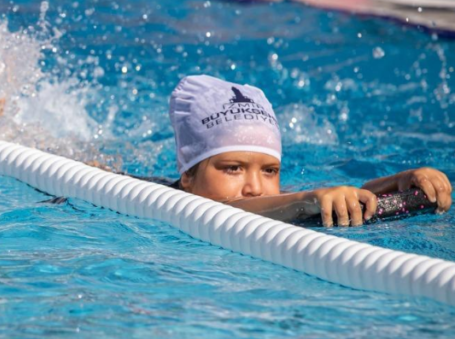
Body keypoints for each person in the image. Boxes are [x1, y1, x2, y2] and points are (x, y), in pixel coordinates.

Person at [169, 75, 451, 227]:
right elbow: (229, 210)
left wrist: (396, 183)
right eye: (233, 168)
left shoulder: (282, 199)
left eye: (270, 171)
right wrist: (306, 201)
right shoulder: (163, 204)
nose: (255, 188)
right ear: (188, 176)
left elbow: (335, 197)